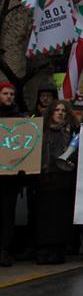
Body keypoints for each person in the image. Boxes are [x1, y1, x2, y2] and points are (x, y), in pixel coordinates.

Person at [35, 100, 78, 265]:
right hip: (45, 178)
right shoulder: (42, 132)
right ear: (51, 113)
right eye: (57, 110)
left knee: (59, 216)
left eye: (63, 111)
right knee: (44, 216)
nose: (60, 113)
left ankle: (58, 249)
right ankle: (44, 248)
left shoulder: (72, 132)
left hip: (63, 179)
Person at [0, 82, 23, 267]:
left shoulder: (20, 119)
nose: (9, 97)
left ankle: (4, 250)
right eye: (5, 93)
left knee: (7, 215)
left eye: (12, 94)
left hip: (9, 179)